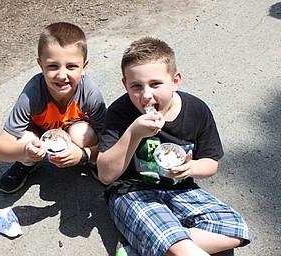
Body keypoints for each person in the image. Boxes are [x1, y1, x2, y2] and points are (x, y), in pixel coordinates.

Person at [97, 37, 250, 256]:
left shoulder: (197, 110)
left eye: (155, 84)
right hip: (132, 192)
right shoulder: (121, 113)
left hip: (181, 189)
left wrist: (192, 168)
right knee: (181, 248)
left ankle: (143, 246)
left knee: (236, 230)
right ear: (125, 85)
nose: (146, 95)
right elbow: (105, 175)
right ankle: (166, 243)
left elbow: (211, 163)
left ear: (175, 81)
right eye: (136, 86)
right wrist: (134, 132)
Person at [0, 22, 106, 194]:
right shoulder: (32, 95)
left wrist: (85, 154)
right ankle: (27, 163)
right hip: (39, 134)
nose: (62, 75)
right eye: (52, 66)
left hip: (74, 129)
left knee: (84, 135)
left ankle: (88, 161)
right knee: (25, 140)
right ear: (40, 65)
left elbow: (108, 141)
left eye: (72, 66)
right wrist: (24, 151)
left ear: (84, 66)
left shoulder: (90, 93)